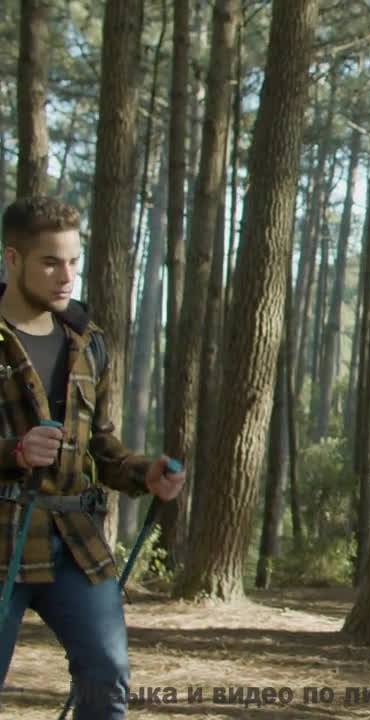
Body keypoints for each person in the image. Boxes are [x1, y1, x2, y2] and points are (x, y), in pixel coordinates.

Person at [0, 196, 186, 719]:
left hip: (74, 543)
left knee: (107, 676)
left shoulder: (88, 342)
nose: (67, 276)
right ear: (12, 259)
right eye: (50, 262)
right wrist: (15, 452)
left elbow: (100, 446)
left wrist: (144, 473)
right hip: (3, 538)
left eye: (73, 261)